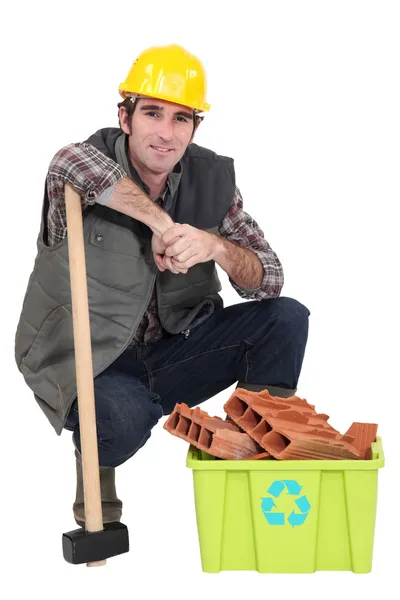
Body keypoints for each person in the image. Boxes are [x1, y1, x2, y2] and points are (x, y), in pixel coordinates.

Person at [14, 44, 310, 527]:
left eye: (181, 119)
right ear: (125, 117)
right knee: (122, 425)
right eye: (152, 113)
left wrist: (215, 246)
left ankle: (252, 453)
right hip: (92, 363)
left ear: (195, 128)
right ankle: (97, 457)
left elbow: (270, 280)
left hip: (176, 351)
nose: (166, 133)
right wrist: (160, 224)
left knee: (286, 317)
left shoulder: (212, 184)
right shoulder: (79, 169)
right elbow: (69, 161)